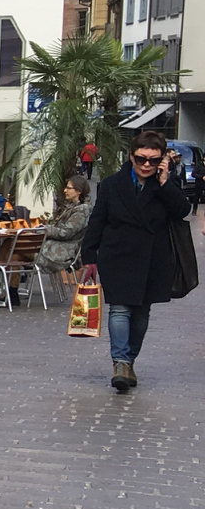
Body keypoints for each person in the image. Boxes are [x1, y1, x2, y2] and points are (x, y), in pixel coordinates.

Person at [80, 129, 191, 392]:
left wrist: (164, 183)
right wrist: (89, 255)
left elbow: (182, 211)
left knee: (141, 313)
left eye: (153, 160)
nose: (146, 165)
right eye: (141, 159)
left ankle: (129, 360)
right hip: (118, 256)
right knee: (119, 309)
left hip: (153, 259)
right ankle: (120, 362)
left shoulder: (166, 185)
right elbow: (98, 220)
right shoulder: (111, 184)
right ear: (131, 156)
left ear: (162, 160)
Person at [37, 174, 93, 294]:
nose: (65, 190)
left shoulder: (82, 210)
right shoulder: (73, 207)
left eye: (69, 188)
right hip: (55, 247)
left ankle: (9, 292)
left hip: (62, 252)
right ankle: (10, 291)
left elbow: (65, 233)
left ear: (78, 191)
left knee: (16, 251)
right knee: (12, 249)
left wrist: (46, 229)